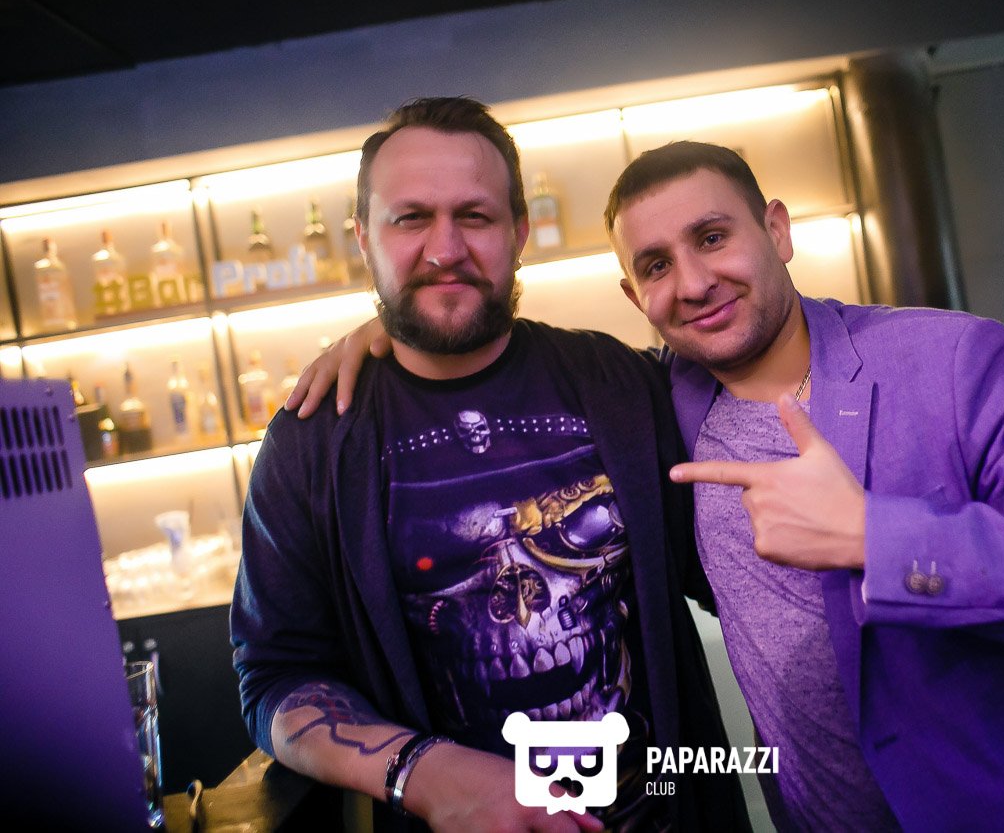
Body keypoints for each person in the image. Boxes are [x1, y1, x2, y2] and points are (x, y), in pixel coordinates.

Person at [291, 141, 1004, 832]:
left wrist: (876, 536)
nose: (693, 283)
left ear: (778, 230)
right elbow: (473, 345)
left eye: (713, 237)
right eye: (655, 265)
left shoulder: (949, 360)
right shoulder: (659, 400)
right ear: (633, 294)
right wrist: (387, 337)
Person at [230, 100, 748, 833]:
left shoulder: (620, 383)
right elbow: (276, 678)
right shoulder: (313, 442)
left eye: (474, 216)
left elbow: (735, 567)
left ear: (519, 232)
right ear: (364, 239)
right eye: (411, 219)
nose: (445, 249)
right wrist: (426, 772)